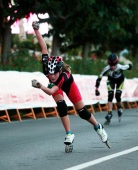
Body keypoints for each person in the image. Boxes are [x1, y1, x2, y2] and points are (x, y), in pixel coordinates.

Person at [31, 21, 110, 149]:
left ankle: (98, 127)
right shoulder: (47, 67)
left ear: (60, 70)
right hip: (55, 87)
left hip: (68, 86)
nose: (51, 76)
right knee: (61, 106)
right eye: (49, 73)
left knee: (82, 112)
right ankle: (69, 134)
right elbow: (44, 47)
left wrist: (40, 86)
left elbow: (51, 91)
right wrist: (36, 30)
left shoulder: (64, 76)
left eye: (54, 73)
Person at [95, 53, 132, 124]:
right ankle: (109, 113)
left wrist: (129, 65)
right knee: (110, 95)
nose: (112, 67)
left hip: (120, 80)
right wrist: (96, 88)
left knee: (117, 96)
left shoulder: (121, 67)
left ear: (117, 63)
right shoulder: (107, 68)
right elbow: (99, 77)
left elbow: (130, 66)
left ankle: (120, 108)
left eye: (114, 65)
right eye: (111, 65)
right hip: (111, 80)